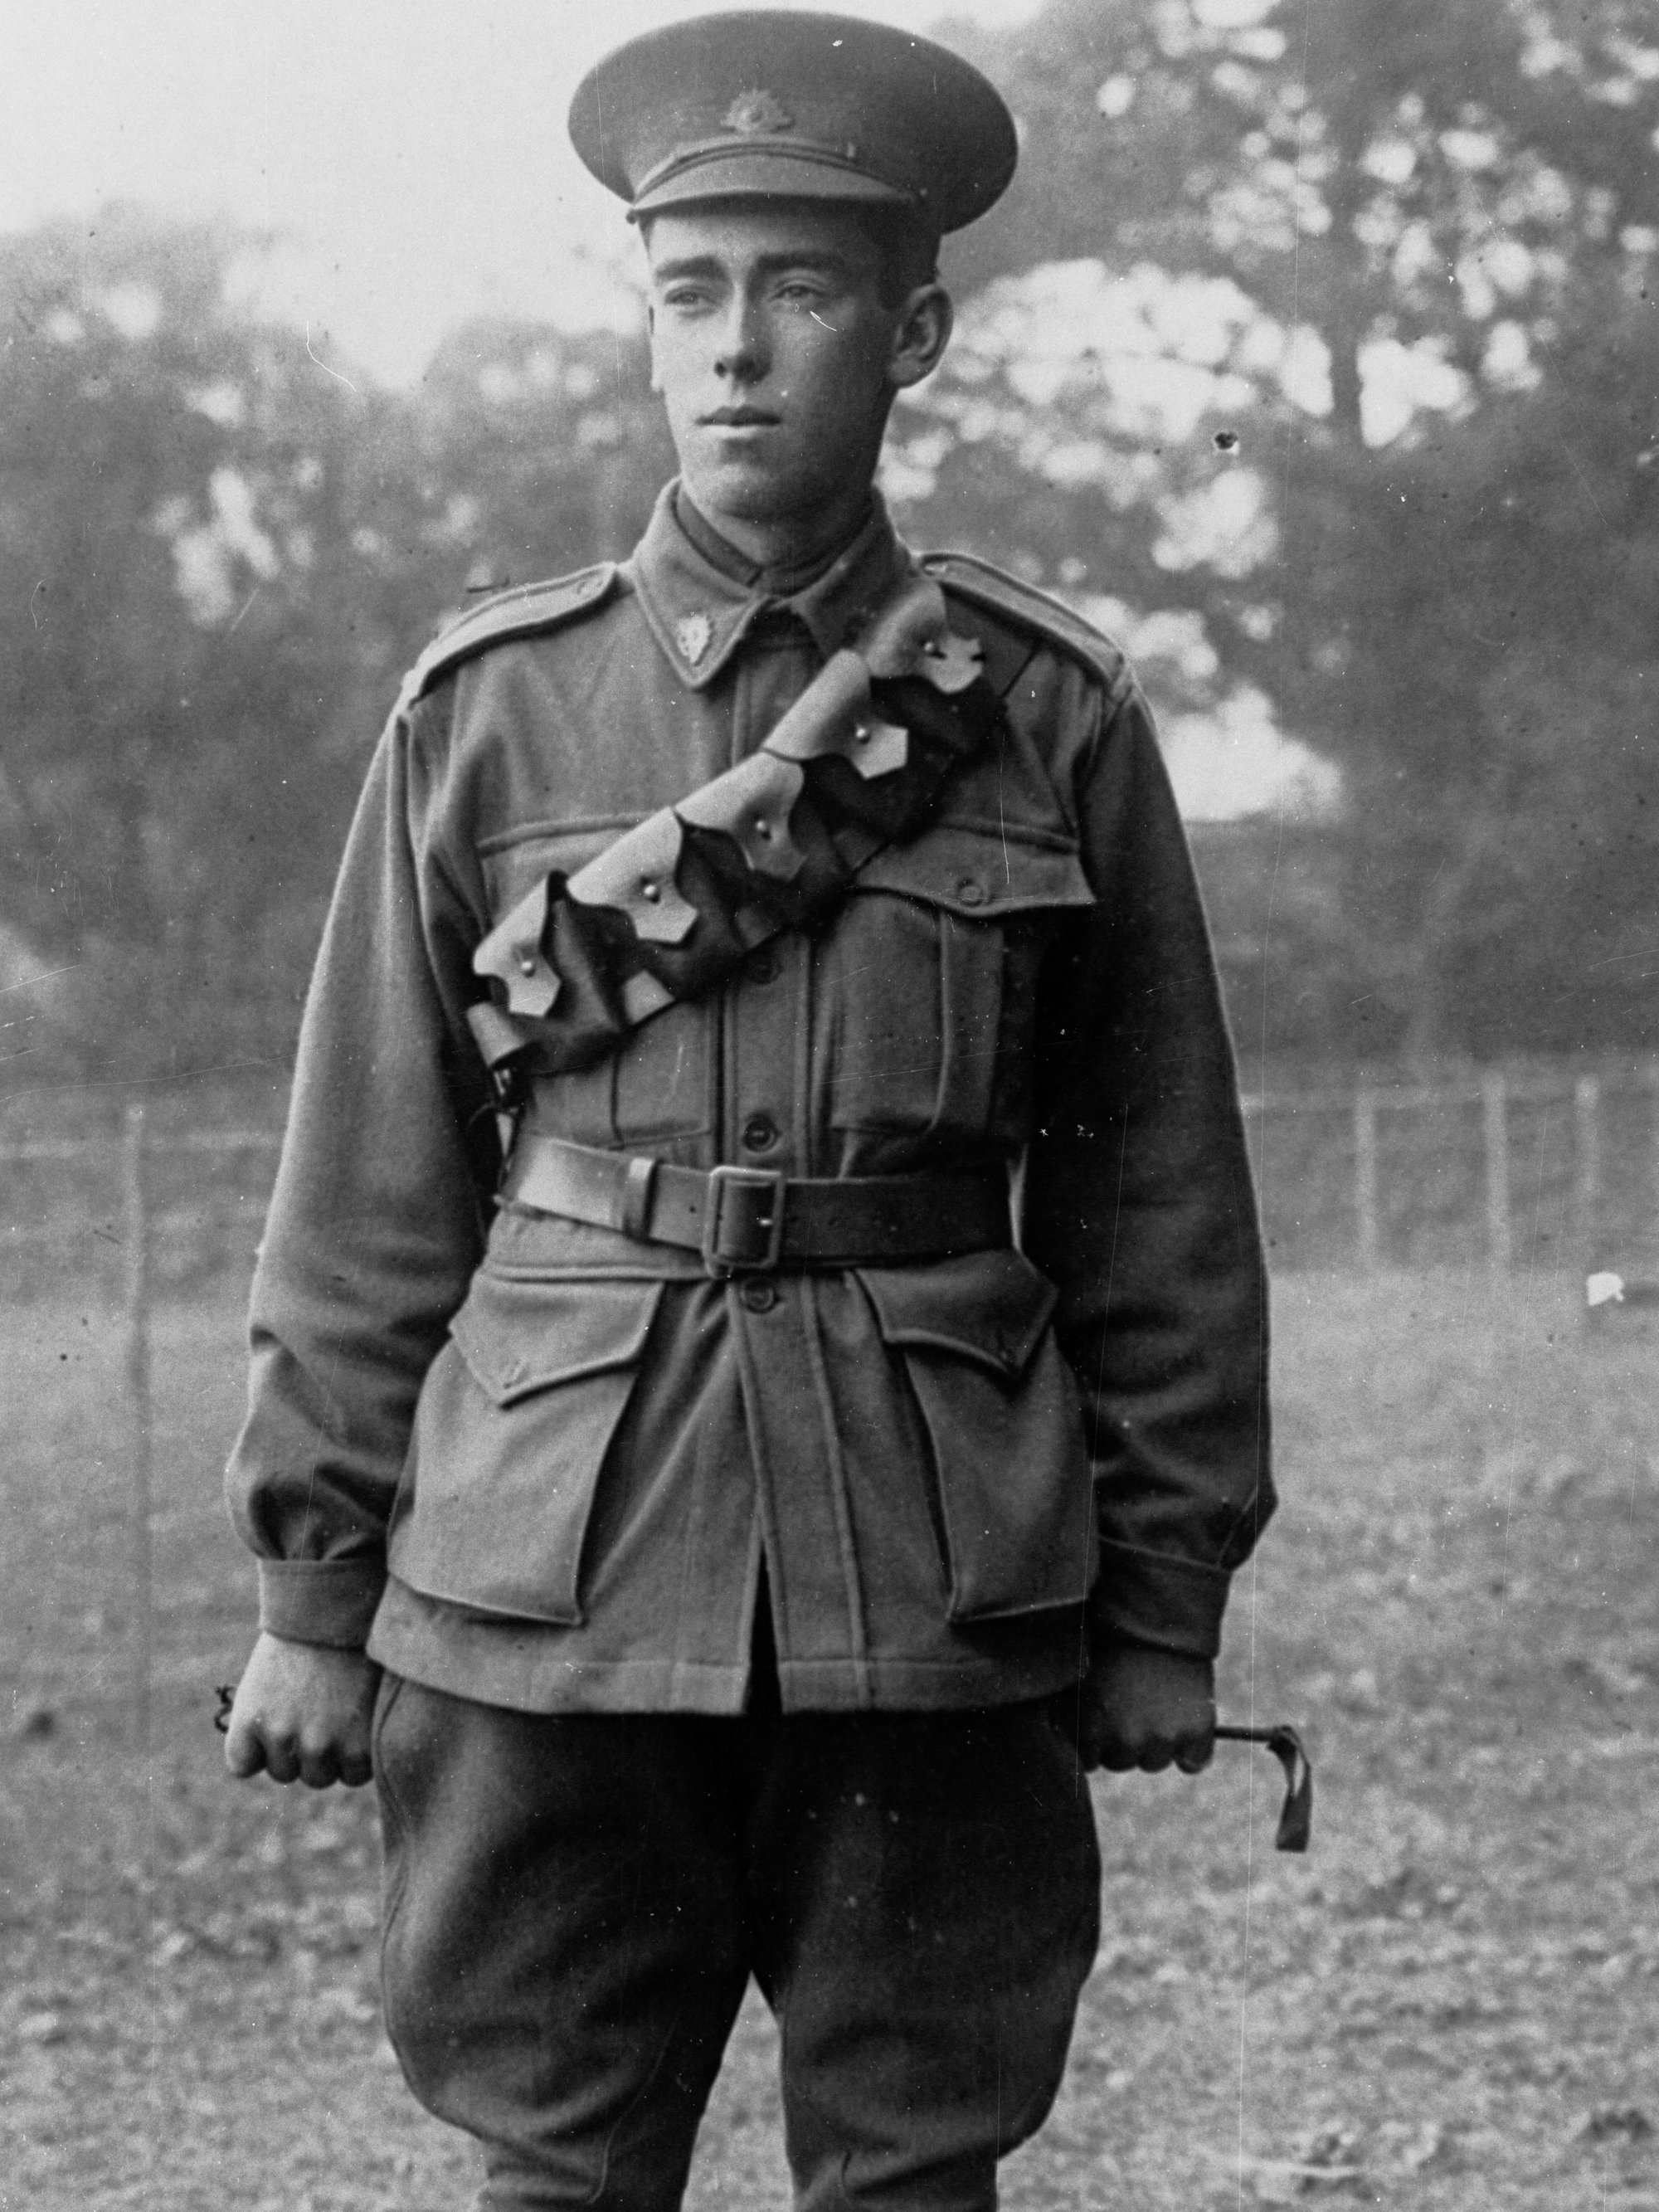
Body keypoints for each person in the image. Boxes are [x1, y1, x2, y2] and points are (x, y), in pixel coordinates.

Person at [222, 12, 1272, 2210]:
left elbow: (1154, 1196)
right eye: (691, 292)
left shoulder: (1046, 716)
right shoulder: (490, 714)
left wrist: (1165, 1595)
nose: (738, 353)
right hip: (555, 1572)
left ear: (913, 331)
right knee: (553, 2156)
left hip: (933, 1563)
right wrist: (314, 1594)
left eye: (799, 294)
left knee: (914, 2163)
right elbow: (369, 1183)